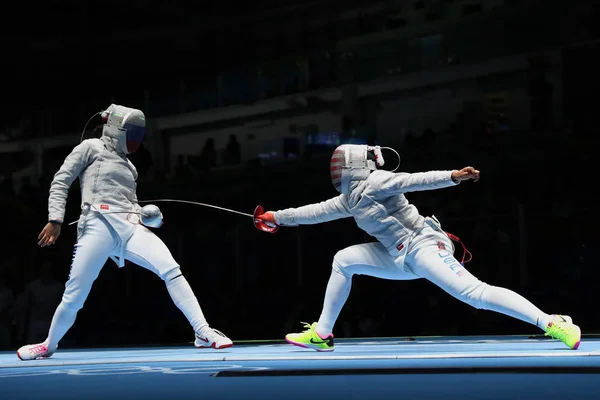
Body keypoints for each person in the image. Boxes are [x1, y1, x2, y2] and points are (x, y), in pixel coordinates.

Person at [255, 144, 581, 351]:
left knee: (474, 294)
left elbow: (413, 180)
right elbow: (313, 212)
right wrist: (276, 218)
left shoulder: (377, 182)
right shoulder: (349, 200)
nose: (336, 170)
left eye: (340, 164)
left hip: (425, 246)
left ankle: (551, 323)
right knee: (343, 260)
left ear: (353, 166)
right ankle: (322, 334)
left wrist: (452, 176)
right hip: (399, 258)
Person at [17, 104, 232, 360]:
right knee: (75, 296)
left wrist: (148, 217)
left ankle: (202, 331)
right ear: (116, 129)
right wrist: (56, 219)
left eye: (139, 134)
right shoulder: (90, 148)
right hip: (97, 225)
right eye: (132, 132)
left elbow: (129, 202)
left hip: (130, 227)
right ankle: (48, 345)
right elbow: (61, 180)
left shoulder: (130, 167)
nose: (136, 139)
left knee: (170, 269)